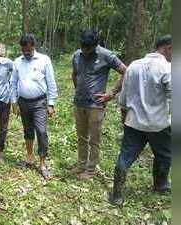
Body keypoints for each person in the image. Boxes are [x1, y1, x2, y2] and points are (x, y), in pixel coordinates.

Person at [110, 34, 172, 205]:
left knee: (125, 156)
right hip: (158, 124)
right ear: (169, 47)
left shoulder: (133, 66)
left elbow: (123, 97)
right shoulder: (167, 68)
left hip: (134, 122)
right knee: (166, 155)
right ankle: (160, 183)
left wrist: (124, 116)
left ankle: (117, 194)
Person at [71, 29, 127, 180]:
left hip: (96, 105)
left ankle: (90, 169)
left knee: (94, 139)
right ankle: (81, 165)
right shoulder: (76, 55)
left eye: (88, 48)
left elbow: (125, 71)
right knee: (81, 137)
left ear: (95, 45)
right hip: (79, 103)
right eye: (83, 47)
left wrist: (111, 93)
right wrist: (79, 91)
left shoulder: (106, 55)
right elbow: (75, 74)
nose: (85, 51)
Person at [11, 33, 58, 179]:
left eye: (28, 51)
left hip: (39, 102)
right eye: (23, 51)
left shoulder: (44, 60)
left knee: (41, 131)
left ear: (33, 47)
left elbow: (51, 82)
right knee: (28, 130)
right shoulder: (17, 62)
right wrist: (14, 102)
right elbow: (13, 83)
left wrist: (51, 103)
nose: (26, 53)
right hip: (23, 102)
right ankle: (29, 157)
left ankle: (42, 163)